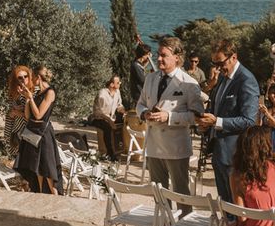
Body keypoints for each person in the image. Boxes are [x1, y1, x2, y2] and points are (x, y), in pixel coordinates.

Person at [136, 37, 204, 216]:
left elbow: (196, 116)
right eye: (158, 55)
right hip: (153, 144)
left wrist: (170, 117)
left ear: (177, 57)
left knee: (180, 192)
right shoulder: (150, 78)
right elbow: (140, 103)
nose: (158, 59)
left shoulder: (189, 83)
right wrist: (144, 113)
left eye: (164, 55)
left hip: (176, 147)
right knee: (158, 192)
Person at [196, 39, 259, 205]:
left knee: (237, 204)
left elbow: (249, 120)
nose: (217, 68)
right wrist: (205, 122)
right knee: (225, 204)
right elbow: (217, 108)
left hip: (236, 154)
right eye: (214, 63)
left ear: (234, 57)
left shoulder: (246, 80)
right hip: (218, 152)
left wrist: (216, 121)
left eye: (220, 62)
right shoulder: (223, 77)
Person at [15, 65, 64, 194]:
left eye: (32, 77)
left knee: (48, 170)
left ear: (38, 77)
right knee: (37, 170)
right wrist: (27, 98)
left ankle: (56, 198)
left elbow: (38, 115)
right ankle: (41, 196)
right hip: (34, 133)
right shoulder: (38, 93)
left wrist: (31, 98)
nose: (31, 80)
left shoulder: (50, 92)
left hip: (44, 135)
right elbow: (28, 116)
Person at [90, 75, 126, 159]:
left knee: (121, 125)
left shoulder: (117, 92)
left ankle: (119, 149)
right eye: (118, 82)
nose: (120, 84)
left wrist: (123, 111)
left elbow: (119, 105)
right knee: (107, 128)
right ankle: (110, 154)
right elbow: (99, 112)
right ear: (111, 84)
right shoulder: (102, 95)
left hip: (110, 118)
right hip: (98, 118)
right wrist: (109, 121)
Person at [4, 65, 33, 157]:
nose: (23, 79)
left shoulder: (33, 92)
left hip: (29, 131)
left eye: (25, 76)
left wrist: (18, 113)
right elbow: (9, 113)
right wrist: (12, 113)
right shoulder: (13, 93)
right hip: (16, 129)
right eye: (20, 78)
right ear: (15, 79)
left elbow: (34, 115)